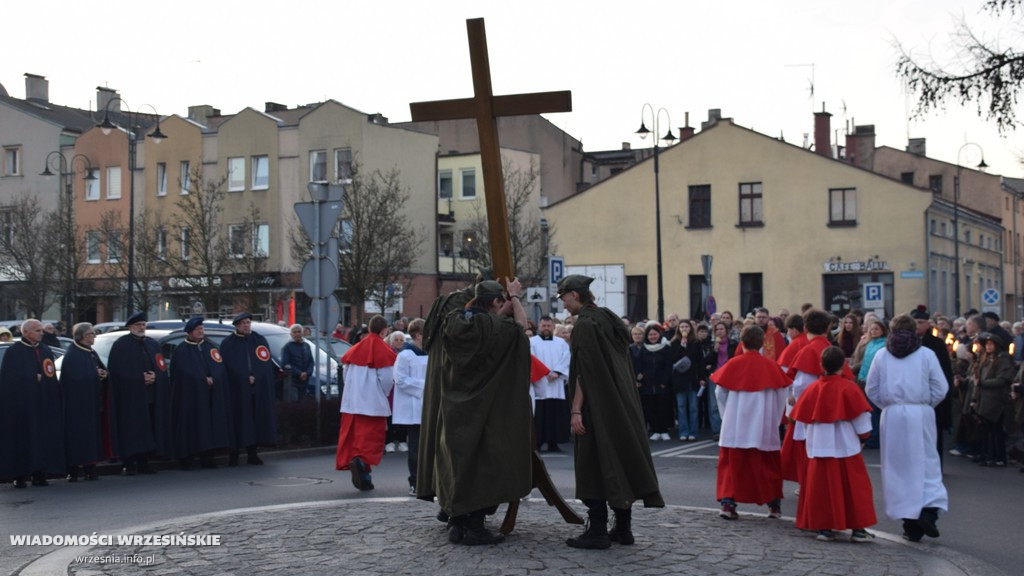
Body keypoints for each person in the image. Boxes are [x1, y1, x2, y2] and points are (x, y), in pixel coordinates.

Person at [559, 274, 664, 550]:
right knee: (620, 458)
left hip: (598, 407)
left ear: (575, 295)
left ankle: (596, 530)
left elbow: (584, 371)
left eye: (564, 297)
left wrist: (576, 410)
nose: (563, 303)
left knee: (592, 463)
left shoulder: (585, 325)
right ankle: (623, 527)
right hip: (622, 403)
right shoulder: (607, 317)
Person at [430, 278, 532, 546]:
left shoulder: (453, 322)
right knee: (483, 467)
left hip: (454, 407)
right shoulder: (497, 327)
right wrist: (516, 298)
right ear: (497, 302)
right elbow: (522, 329)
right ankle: (475, 528)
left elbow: (469, 316)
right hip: (483, 409)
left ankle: (457, 522)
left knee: (458, 464)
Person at [866, 314, 949, 543]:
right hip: (920, 412)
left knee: (898, 467)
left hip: (892, 415)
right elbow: (940, 387)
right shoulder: (926, 354)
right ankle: (929, 512)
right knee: (926, 462)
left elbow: (871, 388)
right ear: (915, 330)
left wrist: (888, 405)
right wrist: (924, 405)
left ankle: (910, 524)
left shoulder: (882, 354)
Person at [792, 346, 877, 542]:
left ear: (821, 365)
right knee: (853, 489)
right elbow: (862, 422)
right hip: (846, 447)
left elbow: (803, 421)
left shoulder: (811, 390)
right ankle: (857, 529)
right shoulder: (849, 388)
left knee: (821, 490)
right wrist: (863, 438)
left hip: (819, 448)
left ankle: (824, 528)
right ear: (843, 365)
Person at [712, 325, 791, 521]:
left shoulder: (733, 364)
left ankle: (728, 504)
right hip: (763, 423)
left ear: (742, 342)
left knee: (731, 464)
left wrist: (726, 415)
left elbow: (719, 392)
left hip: (735, 423)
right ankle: (774, 506)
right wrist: (774, 419)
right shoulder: (771, 366)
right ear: (762, 342)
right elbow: (782, 393)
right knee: (767, 464)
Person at [335, 315, 396, 492]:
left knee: (355, 439)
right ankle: (361, 464)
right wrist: (381, 395)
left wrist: (353, 393)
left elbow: (345, 374)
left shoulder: (355, 348)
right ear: (384, 331)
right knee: (370, 441)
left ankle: (365, 476)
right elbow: (387, 379)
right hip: (372, 403)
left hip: (352, 402)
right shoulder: (383, 350)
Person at [0, 319, 63, 487]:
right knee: (21, 440)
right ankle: (19, 475)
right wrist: (30, 378)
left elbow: (50, 375)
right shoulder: (14, 352)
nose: (41, 333)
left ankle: (39, 473)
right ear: (26, 332)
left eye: (41, 330)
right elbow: (9, 379)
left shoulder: (45, 350)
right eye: (37, 330)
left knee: (41, 439)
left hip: (42, 405)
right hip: (22, 406)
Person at [107, 312, 171, 475]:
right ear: (130, 327)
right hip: (131, 397)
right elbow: (117, 372)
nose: (142, 328)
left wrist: (156, 375)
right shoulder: (121, 345)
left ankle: (144, 462)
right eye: (138, 325)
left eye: (143, 324)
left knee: (148, 428)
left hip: (150, 395)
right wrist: (139, 379)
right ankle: (129, 463)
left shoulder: (152, 344)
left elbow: (161, 365)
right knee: (132, 429)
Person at [170, 317, 232, 469]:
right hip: (191, 396)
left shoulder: (210, 346)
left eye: (202, 329)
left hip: (210, 395)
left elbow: (219, 366)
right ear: (190, 332)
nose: (201, 331)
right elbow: (182, 372)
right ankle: (187, 458)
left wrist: (214, 378)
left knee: (209, 425)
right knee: (190, 425)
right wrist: (201, 379)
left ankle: (207, 456)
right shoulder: (181, 350)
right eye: (198, 329)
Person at [219, 313, 278, 466]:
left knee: (254, 420)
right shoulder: (228, 343)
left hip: (256, 390)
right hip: (237, 391)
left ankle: (253, 454)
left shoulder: (258, 340)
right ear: (237, 325)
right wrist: (244, 377)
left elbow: (265, 363)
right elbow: (227, 367)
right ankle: (234, 455)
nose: (246, 325)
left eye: (248, 323)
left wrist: (257, 376)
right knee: (237, 420)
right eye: (243, 323)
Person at [61, 323, 106, 482]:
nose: (93, 337)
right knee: (76, 437)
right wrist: (95, 374)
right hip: (77, 405)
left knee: (91, 436)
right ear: (81, 336)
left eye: (94, 334)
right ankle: (73, 470)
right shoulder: (72, 354)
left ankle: (90, 468)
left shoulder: (91, 352)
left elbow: (98, 369)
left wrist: (102, 373)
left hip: (91, 402)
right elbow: (74, 378)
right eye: (90, 334)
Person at [393, 318, 428, 496]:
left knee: (430, 448)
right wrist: (425, 386)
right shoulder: (405, 355)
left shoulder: (431, 353)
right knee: (415, 448)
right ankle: (414, 482)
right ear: (417, 335)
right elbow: (400, 379)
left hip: (429, 408)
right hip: (413, 408)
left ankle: (428, 482)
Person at [971, 332, 1013, 467]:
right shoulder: (986, 359)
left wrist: (983, 383)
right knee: (987, 430)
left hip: (996, 400)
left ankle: (999, 457)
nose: (988, 347)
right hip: (985, 399)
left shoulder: (1002, 360)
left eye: (991, 345)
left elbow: (1002, 380)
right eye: (987, 345)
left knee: (996, 430)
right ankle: (989, 454)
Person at [530, 316, 572, 452]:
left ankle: (554, 442)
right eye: (544, 326)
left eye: (549, 326)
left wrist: (557, 373)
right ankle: (539, 442)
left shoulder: (561, 343)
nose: (546, 328)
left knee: (555, 415)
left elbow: (566, 358)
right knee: (540, 415)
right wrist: (544, 373)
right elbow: (532, 359)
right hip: (540, 383)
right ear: (539, 326)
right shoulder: (532, 342)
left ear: (553, 327)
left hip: (556, 384)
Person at [634, 323, 674, 441]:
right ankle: (655, 430)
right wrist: (638, 376)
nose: (652, 336)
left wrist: (665, 381)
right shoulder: (644, 349)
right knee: (650, 408)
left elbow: (669, 366)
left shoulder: (666, 348)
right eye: (650, 334)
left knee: (663, 407)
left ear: (659, 335)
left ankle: (664, 430)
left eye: (655, 334)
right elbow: (638, 365)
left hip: (662, 383)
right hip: (647, 384)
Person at [856, 318, 889, 449]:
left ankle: (875, 437)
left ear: (882, 331)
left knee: (875, 410)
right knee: (868, 410)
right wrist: (862, 375)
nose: (873, 331)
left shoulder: (884, 344)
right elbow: (865, 362)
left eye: (877, 329)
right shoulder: (870, 343)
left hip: (876, 380)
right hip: (865, 378)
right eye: (872, 329)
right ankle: (871, 435)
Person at [669, 319, 702, 441]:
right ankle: (683, 432)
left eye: (686, 326)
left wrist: (702, 378)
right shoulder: (674, 342)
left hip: (692, 378)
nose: (684, 329)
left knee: (693, 407)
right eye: (682, 327)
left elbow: (699, 361)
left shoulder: (696, 342)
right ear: (678, 329)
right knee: (681, 406)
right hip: (679, 379)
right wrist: (681, 347)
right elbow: (673, 359)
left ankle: (693, 432)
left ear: (690, 328)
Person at [281, 324, 314, 402]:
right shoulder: (288, 347)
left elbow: (311, 362)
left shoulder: (306, 345)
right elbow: (285, 364)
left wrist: (307, 373)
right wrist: (299, 373)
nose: (297, 334)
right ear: (291, 334)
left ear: (302, 333)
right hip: (293, 381)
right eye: (295, 332)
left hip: (305, 381)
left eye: (299, 331)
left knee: (304, 402)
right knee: (295, 402)